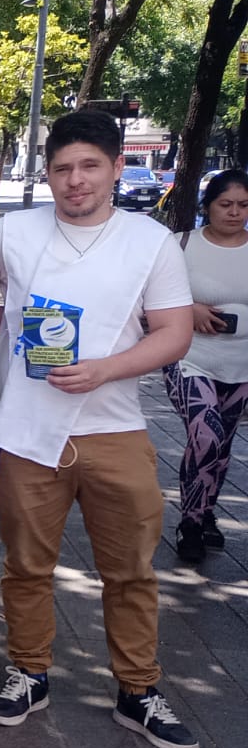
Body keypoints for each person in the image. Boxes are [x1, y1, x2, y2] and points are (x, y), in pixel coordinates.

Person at [0, 109, 198, 748]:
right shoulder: (10, 233)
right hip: (25, 429)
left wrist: (104, 370)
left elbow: (174, 331)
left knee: (129, 569)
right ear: (47, 173)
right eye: (63, 168)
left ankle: (137, 688)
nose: (76, 181)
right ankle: (29, 671)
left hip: (116, 429)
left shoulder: (149, 242)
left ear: (117, 167)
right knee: (25, 563)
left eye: (90, 166)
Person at [164, 168, 248, 563]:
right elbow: (152, 302)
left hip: (241, 365)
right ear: (208, 205)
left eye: (243, 205)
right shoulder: (181, 246)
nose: (234, 212)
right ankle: (191, 523)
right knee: (206, 436)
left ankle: (204, 512)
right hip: (190, 357)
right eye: (225, 204)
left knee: (223, 444)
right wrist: (190, 310)